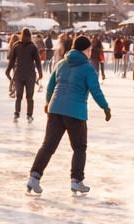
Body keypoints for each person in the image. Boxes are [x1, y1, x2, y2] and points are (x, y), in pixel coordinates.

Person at [26, 34, 110, 195]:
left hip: (55, 109)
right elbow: (95, 90)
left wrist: (48, 103)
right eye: (89, 49)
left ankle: (34, 177)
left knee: (48, 146)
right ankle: (77, 180)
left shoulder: (61, 63)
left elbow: (51, 86)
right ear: (85, 50)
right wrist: (105, 108)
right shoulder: (87, 68)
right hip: (75, 113)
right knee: (79, 147)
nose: (91, 52)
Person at [8, 28, 43, 122]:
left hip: (19, 74)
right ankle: (29, 115)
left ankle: (16, 113)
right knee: (30, 97)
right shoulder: (33, 47)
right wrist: (40, 74)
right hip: (30, 75)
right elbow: (38, 61)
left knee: (18, 96)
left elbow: (11, 61)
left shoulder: (16, 46)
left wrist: (7, 71)